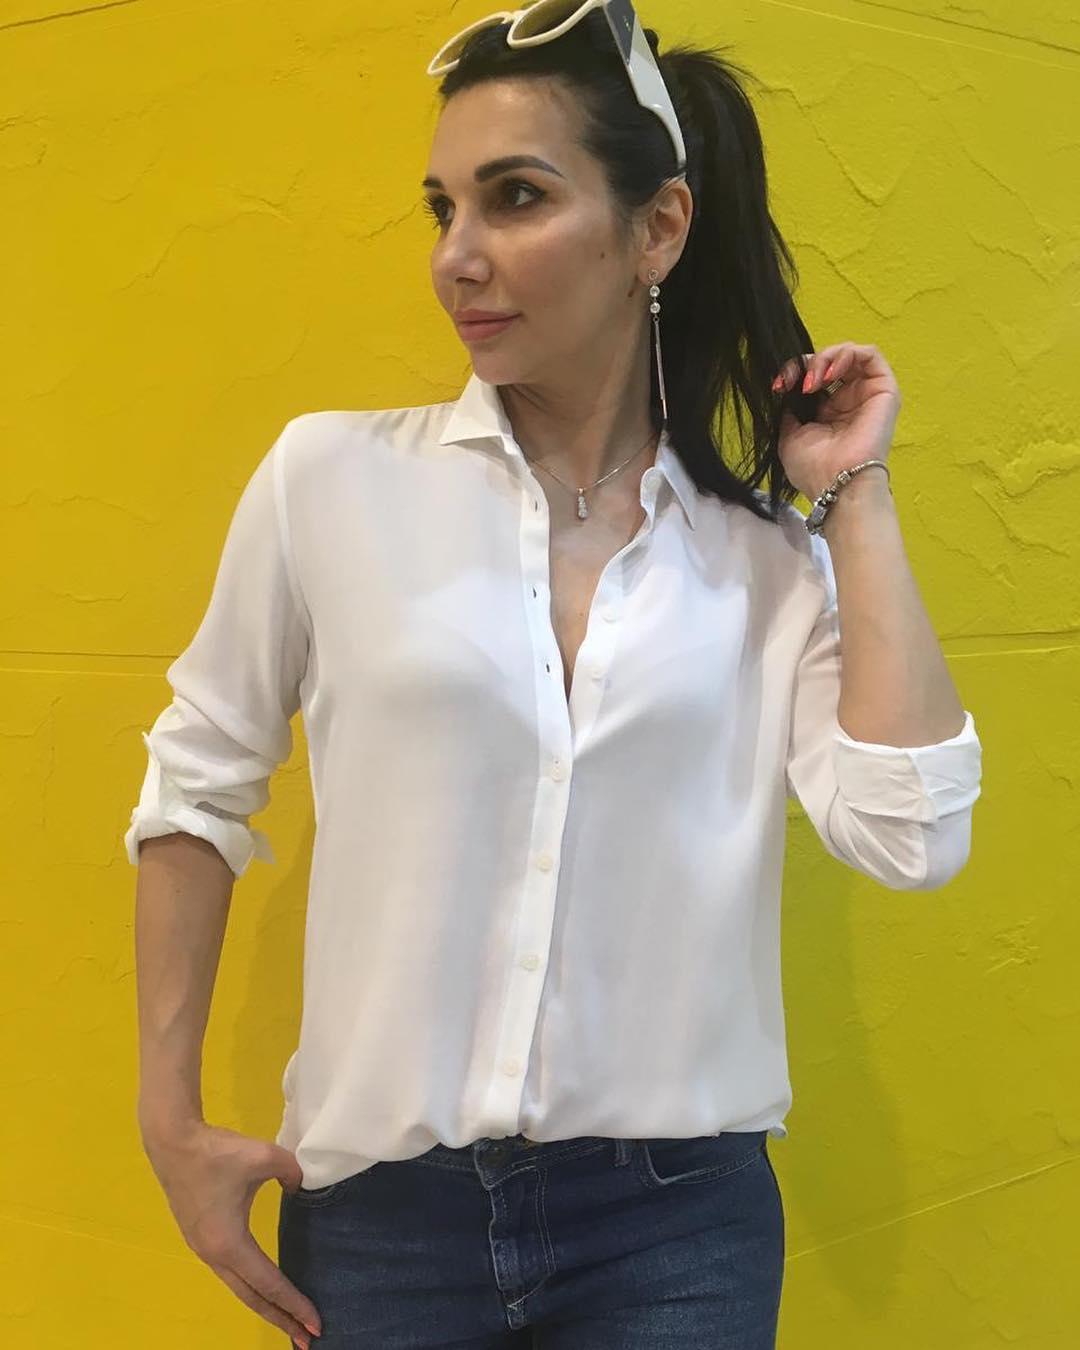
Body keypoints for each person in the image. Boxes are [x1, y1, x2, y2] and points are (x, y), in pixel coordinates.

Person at [127, 3, 983, 1347]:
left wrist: (853, 497)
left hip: (674, 1230)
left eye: (515, 198)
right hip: (382, 1220)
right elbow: (197, 783)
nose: (457, 256)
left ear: (658, 228)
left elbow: (912, 834)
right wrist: (167, 1118)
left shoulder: (764, 561)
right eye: (443, 208)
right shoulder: (329, 481)